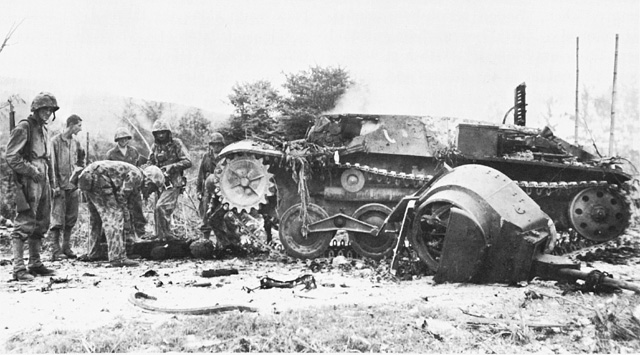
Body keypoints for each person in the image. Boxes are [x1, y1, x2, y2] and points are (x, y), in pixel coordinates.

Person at [5, 92, 58, 281]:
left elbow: (48, 158)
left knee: (42, 221)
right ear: (36, 109)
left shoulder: (44, 129)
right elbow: (11, 156)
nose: (47, 112)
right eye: (45, 109)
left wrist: (51, 181)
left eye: (50, 110)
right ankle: (18, 268)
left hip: (43, 178)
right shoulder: (24, 127)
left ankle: (35, 262)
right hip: (30, 179)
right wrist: (30, 171)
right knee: (25, 222)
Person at [75, 161, 164, 267]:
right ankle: (117, 257)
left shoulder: (133, 172)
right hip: (99, 178)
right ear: (149, 181)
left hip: (87, 176)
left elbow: (128, 201)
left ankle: (93, 252)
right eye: (152, 188)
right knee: (115, 216)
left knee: (96, 219)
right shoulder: (137, 175)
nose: (150, 192)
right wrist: (125, 216)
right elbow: (122, 196)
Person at [148, 120, 192, 240]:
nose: (161, 135)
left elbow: (188, 161)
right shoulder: (155, 147)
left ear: (168, 133)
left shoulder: (176, 144)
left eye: (163, 132)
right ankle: (160, 237)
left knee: (161, 206)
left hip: (173, 182)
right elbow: (150, 162)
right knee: (158, 211)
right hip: (159, 183)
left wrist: (172, 166)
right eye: (158, 133)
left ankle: (167, 236)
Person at [48, 114, 83, 261]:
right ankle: (55, 250)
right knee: (57, 219)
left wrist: (78, 177)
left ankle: (66, 247)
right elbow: (52, 164)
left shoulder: (76, 143)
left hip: (73, 186)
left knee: (71, 218)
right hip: (60, 186)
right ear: (71, 125)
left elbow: (81, 160)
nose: (80, 129)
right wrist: (54, 185)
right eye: (78, 126)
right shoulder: (55, 141)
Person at [106, 127, 146, 242]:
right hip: (119, 186)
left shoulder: (133, 151)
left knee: (137, 209)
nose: (123, 141)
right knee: (123, 210)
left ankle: (140, 233)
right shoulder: (111, 154)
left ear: (128, 139)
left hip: (134, 186)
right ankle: (126, 236)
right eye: (120, 139)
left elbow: (138, 167)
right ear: (117, 140)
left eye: (125, 138)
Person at [196, 132, 226, 240]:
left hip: (223, 190)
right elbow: (201, 174)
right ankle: (206, 240)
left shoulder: (226, 156)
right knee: (205, 214)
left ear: (222, 145)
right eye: (214, 144)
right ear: (211, 145)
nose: (216, 147)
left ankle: (221, 241)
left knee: (220, 215)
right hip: (208, 190)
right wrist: (199, 190)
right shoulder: (206, 157)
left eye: (218, 144)